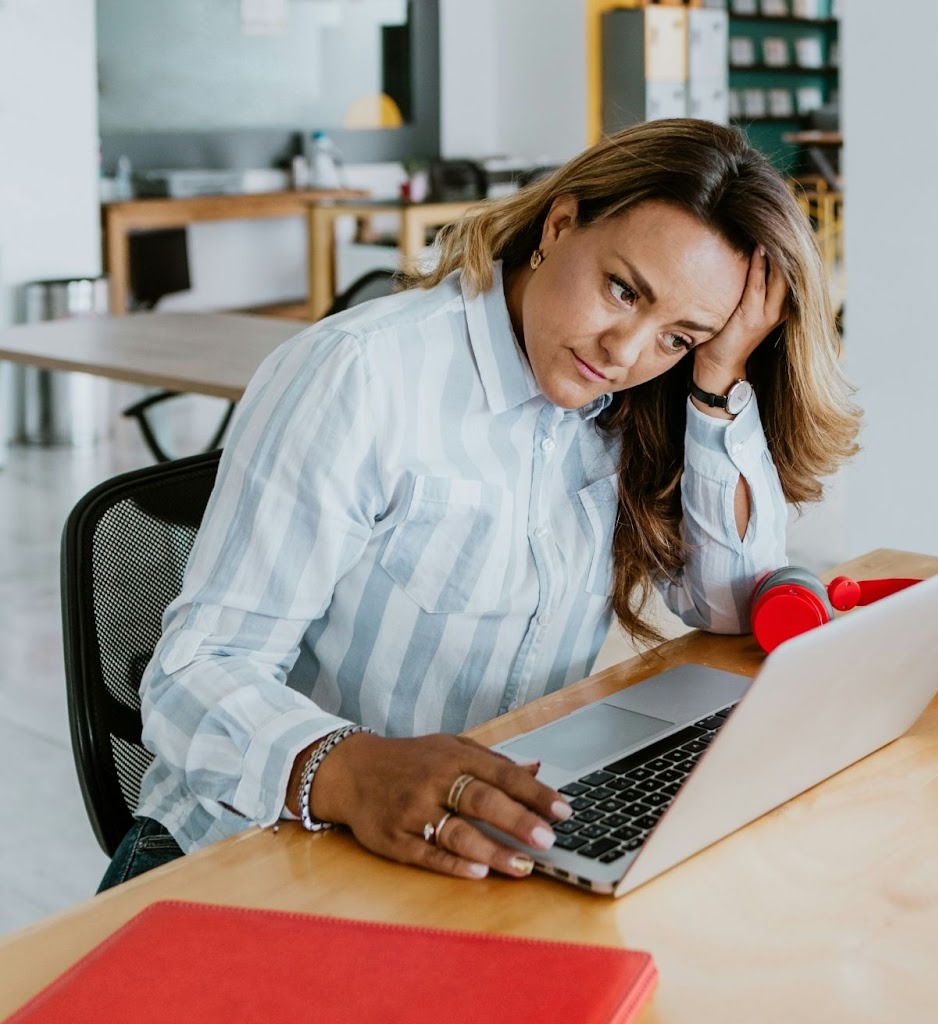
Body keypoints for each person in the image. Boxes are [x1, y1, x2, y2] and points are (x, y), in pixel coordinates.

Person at [99, 119, 861, 891]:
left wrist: (716, 380)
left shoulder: (634, 401)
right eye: (623, 290)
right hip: (251, 847)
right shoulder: (361, 377)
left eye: (677, 335)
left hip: (475, 842)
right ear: (559, 225)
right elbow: (194, 673)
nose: (624, 352)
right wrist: (355, 771)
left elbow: (732, 605)